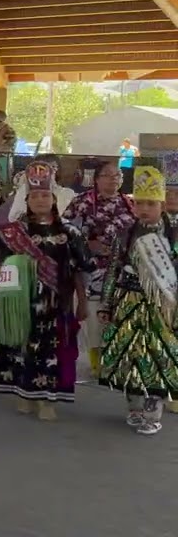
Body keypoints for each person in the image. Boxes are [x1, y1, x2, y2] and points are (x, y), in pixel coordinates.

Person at [0, 162, 91, 419]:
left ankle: (48, 400)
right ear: (26, 200)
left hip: (59, 302)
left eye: (45, 195)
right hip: (23, 300)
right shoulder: (16, 232)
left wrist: (82, 301)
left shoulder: (69, 232)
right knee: (24, 347)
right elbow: (0, 266)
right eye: (34, 196)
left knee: (53, 350)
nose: (40, 200)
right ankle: (25, 393)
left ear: (54, 199)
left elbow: (79, 269)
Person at [96, 165, 178, 436]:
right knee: (128, 354)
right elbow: (112, 270)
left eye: (151, 204)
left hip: (163, 307)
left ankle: (153, 412)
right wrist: (106, 304)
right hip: (128, 303)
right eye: (140, 203)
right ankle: (133, 407)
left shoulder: (174, 235)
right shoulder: (125, 234)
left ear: (162, 205)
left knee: (158, 356)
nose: (144, 209)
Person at [63, 160, 136, 379]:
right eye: (108, 175)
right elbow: (64, 231)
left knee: (119, 315)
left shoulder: (130, 204)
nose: (114, 179)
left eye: (118, 175)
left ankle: (117, 361)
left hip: (122, 271)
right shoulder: (81, 202)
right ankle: (97, 363)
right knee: (94, 318)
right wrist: (87, 244)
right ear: (96, 178)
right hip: (92, 270)